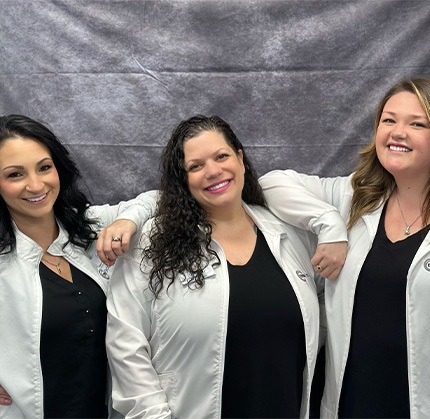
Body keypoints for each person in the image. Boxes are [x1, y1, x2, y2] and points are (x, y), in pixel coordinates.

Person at [106, 114, 331, 419]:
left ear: (239, 157)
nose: (212, 171)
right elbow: (126, 344)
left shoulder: (289, 234)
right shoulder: (151, 243)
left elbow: (324, 299)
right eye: (195, 166)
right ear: (183, 179)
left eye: (221, 156)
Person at [259, 77, 430, 418]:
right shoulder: (354, 198)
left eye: (417, 123)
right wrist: (330, 226)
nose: (398, 132)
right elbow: (270, 183)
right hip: (351, 404)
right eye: (388, 120)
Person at [0, 114, 157, 418]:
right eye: (15, 175)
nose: (36, 185)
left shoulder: (87, 228)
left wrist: (127, 221)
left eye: (44, 168)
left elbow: (159, 199)